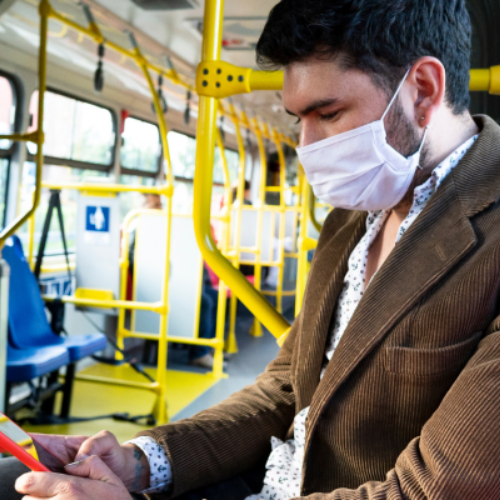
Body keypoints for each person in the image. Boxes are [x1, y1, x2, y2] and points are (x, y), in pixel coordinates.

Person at [4, 0, 500, 499]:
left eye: (327, 113)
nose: (307, 147)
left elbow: (431, 491)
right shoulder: (352, 215)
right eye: (297, 121)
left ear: (423, 90)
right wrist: (139, 464)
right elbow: (288, 387)